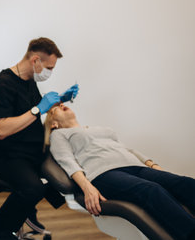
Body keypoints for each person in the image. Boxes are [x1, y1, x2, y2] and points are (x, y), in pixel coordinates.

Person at [46, 103, 195, 240]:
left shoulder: (100, 129)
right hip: (103, 173)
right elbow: (67, 160)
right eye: (55, 109)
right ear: (54, 123)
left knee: (185, 183)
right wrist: (87, 187)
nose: (61, 104)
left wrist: (152, 164)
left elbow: (127, 149)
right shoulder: (59, 135)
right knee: (151, 190)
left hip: (135, 166)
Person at [0, 37, 79, 240]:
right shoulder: (0, 86)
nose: (50, 72)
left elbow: (30, 110)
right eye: (49, 67)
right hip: (6, 155)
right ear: (35, 61)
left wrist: (59, 100)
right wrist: (38, 109)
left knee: (68, 172)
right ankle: (0, 226)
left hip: (29, 150)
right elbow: (0, 129)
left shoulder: (29, 81)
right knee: (33, 188)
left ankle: (26, 212)